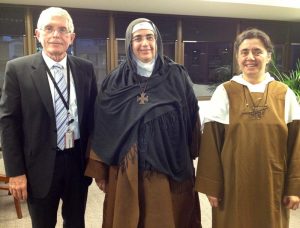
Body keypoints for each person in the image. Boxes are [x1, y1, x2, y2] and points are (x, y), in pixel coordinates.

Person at [84, 18, 201, 228]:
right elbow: (101, 125)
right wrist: (100, 171)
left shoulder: (177, 75)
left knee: (167, 217)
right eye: (138, 38)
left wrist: (190, 154)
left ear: (157, 41)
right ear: (129, 43)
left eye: (149, 37)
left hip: (169, 167)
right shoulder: (115, 80)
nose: (144, 43)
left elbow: (191, 116)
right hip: (126, 168)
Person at [0, 7, 97, 228]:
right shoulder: (18, 69)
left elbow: (93, 119)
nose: (56, 35)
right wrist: (15, 172)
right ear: (38, 34)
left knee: (75, 222)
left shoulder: (86, 69)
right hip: (39, 166)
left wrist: (96, 163)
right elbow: (9, 123)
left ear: (71, 38)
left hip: (77, 161)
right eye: (49, 28)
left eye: (63, 30)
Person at [195, 28, 300, 228]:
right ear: (237, 57)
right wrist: (212, 186)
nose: (250, 57)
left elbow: (297, 144)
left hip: (273, 184)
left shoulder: (284, 94)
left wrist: (294, 186)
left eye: (257, 51)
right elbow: (210, 143)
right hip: (232, 184)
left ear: (268, 56)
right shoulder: (224, 92)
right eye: (244, 52)